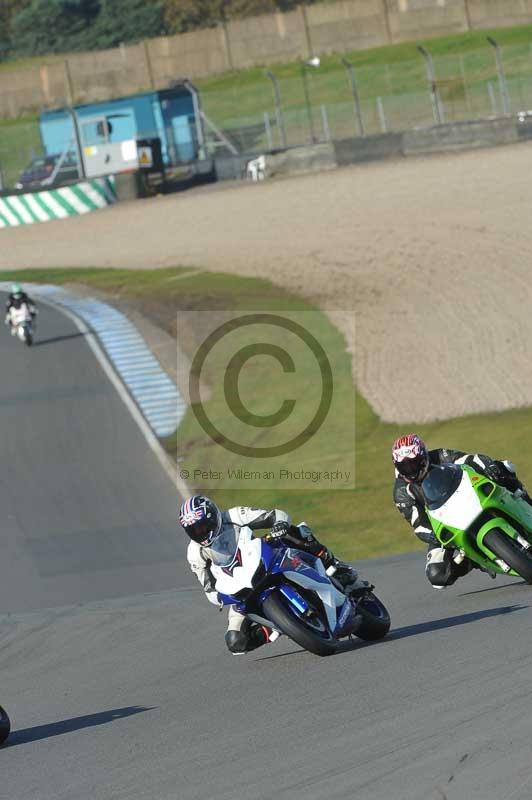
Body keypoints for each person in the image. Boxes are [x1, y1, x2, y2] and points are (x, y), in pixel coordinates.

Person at [180, 495, 363, 655]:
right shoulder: (194, 552)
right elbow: (208, 586)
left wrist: (279, 524)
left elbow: (275, 515)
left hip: (264, 557)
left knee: (291, 533)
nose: (200, 532)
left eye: (202, 526)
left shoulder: (234, 516)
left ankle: (334, 564)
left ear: (213, 516)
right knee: (236, 641)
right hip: (240, 585)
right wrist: (219, 596)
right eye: (193, 530)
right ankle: (278, 626)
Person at [392, 433, 532, 589]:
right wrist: (432, 534)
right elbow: (418, 523)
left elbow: (470, 460)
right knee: (437, 574)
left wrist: (488, 466)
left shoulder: (440, 455)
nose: (410, 470)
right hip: (443, 519)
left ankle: (526, 503)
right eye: (403, 467)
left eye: (414, 463)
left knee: (503, 468)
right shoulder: (401, 493)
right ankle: (474, 560)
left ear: (423, 457)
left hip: (465, 495)